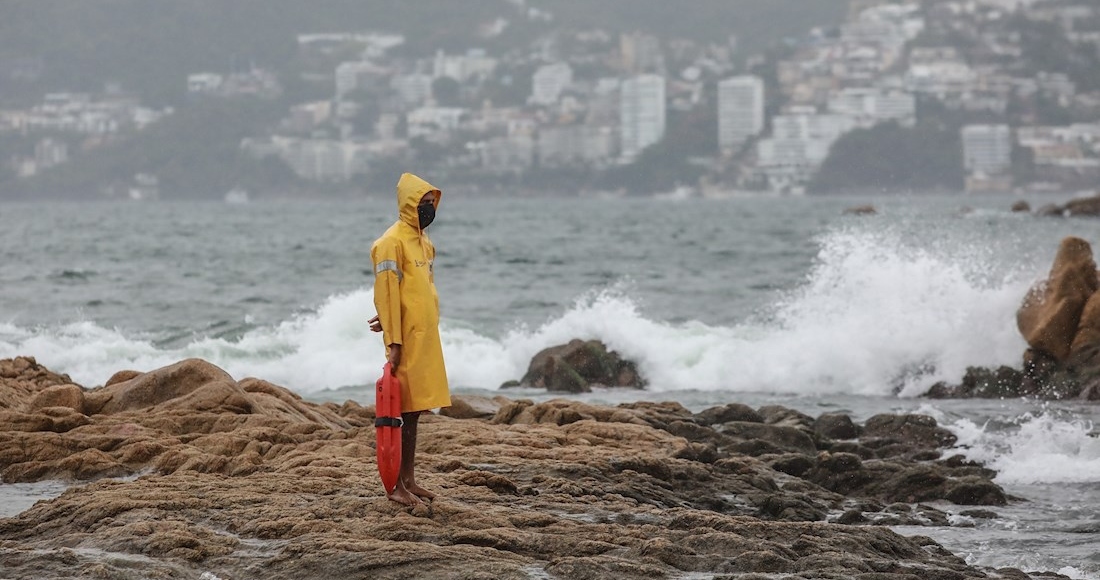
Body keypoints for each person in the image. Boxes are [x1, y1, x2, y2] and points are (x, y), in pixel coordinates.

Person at [368, 172, 451, 506]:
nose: (429, 209)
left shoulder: (424, 241)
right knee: (399, 412)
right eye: (424, 203)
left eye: (432, 203)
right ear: (409, 204)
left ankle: (410, 479)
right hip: (405, 341)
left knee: (415, 411)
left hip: (425, 337)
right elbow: (386, 293)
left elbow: (414, 292)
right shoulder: (391, 242)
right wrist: (393, 341)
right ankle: (394, 487)